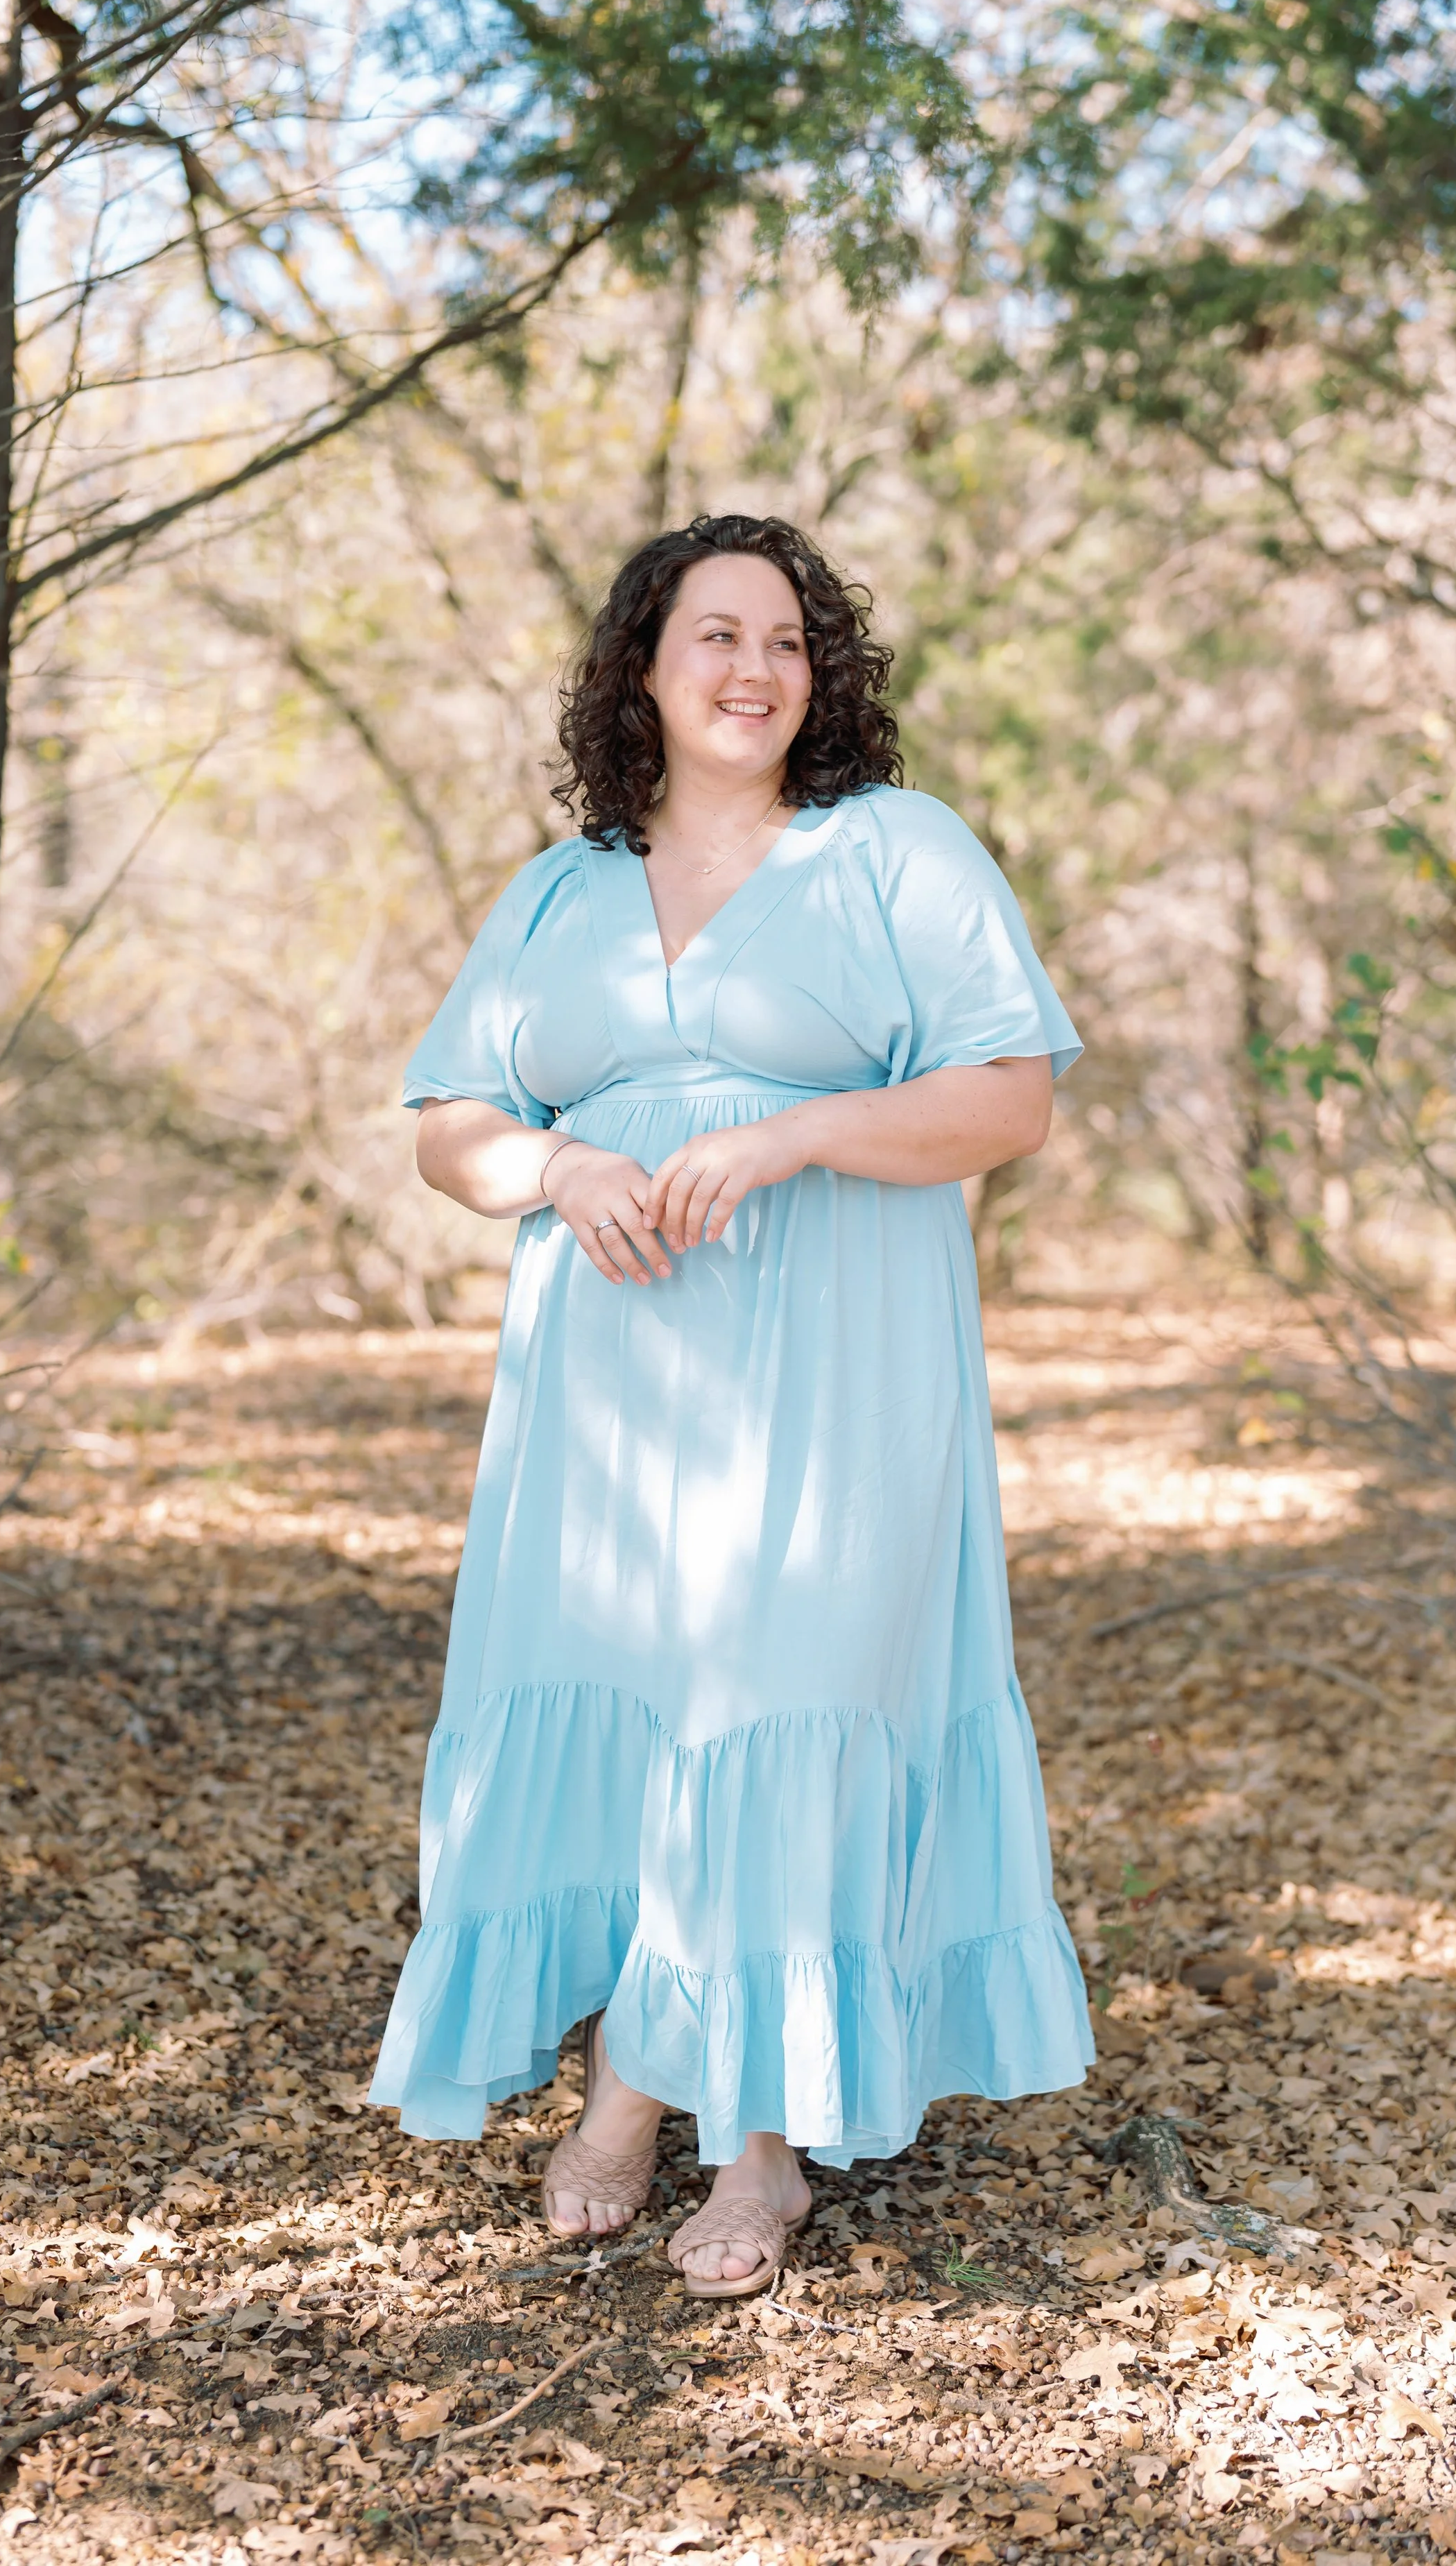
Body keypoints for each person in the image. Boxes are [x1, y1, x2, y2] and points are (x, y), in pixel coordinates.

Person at [368, 511, 1092, 2296]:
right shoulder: (555, 892)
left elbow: (1009, 1100)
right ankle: (633, 2076)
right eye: (713, 635)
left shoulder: (894, 855)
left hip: (837, 1366)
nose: (752, 668)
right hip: (606, 1390)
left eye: (784, 640)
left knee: (783, 1700)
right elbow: (446, 1129)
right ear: (643, 668)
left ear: (817, 675)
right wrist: (553, 1167)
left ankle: (749, 2137)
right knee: (631, 1704)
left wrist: (793, 1132)